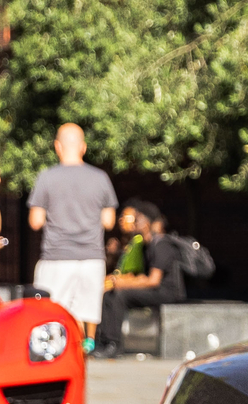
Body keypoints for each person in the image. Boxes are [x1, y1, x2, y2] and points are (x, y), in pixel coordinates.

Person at [26, 121, 117, 348]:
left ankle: (61, 349)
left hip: (57, 256)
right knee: (87, 307)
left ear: (58, 146)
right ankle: (89, 343)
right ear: (83, 147)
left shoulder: (46, 177)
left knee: (55, 312)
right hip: (92, 256)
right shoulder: (100, 178)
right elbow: (109, 220)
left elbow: (35, 221)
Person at [96, 202, 187, 360]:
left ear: (147, 223)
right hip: (155, 290)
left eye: (138, 220)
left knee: (119, 296)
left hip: (167, 292)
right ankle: (103, 342)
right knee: (110, 294)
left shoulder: (161, 244)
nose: (134, 224)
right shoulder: (145, 245)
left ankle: (114, 345)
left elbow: (153, 280)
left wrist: (123, 284)